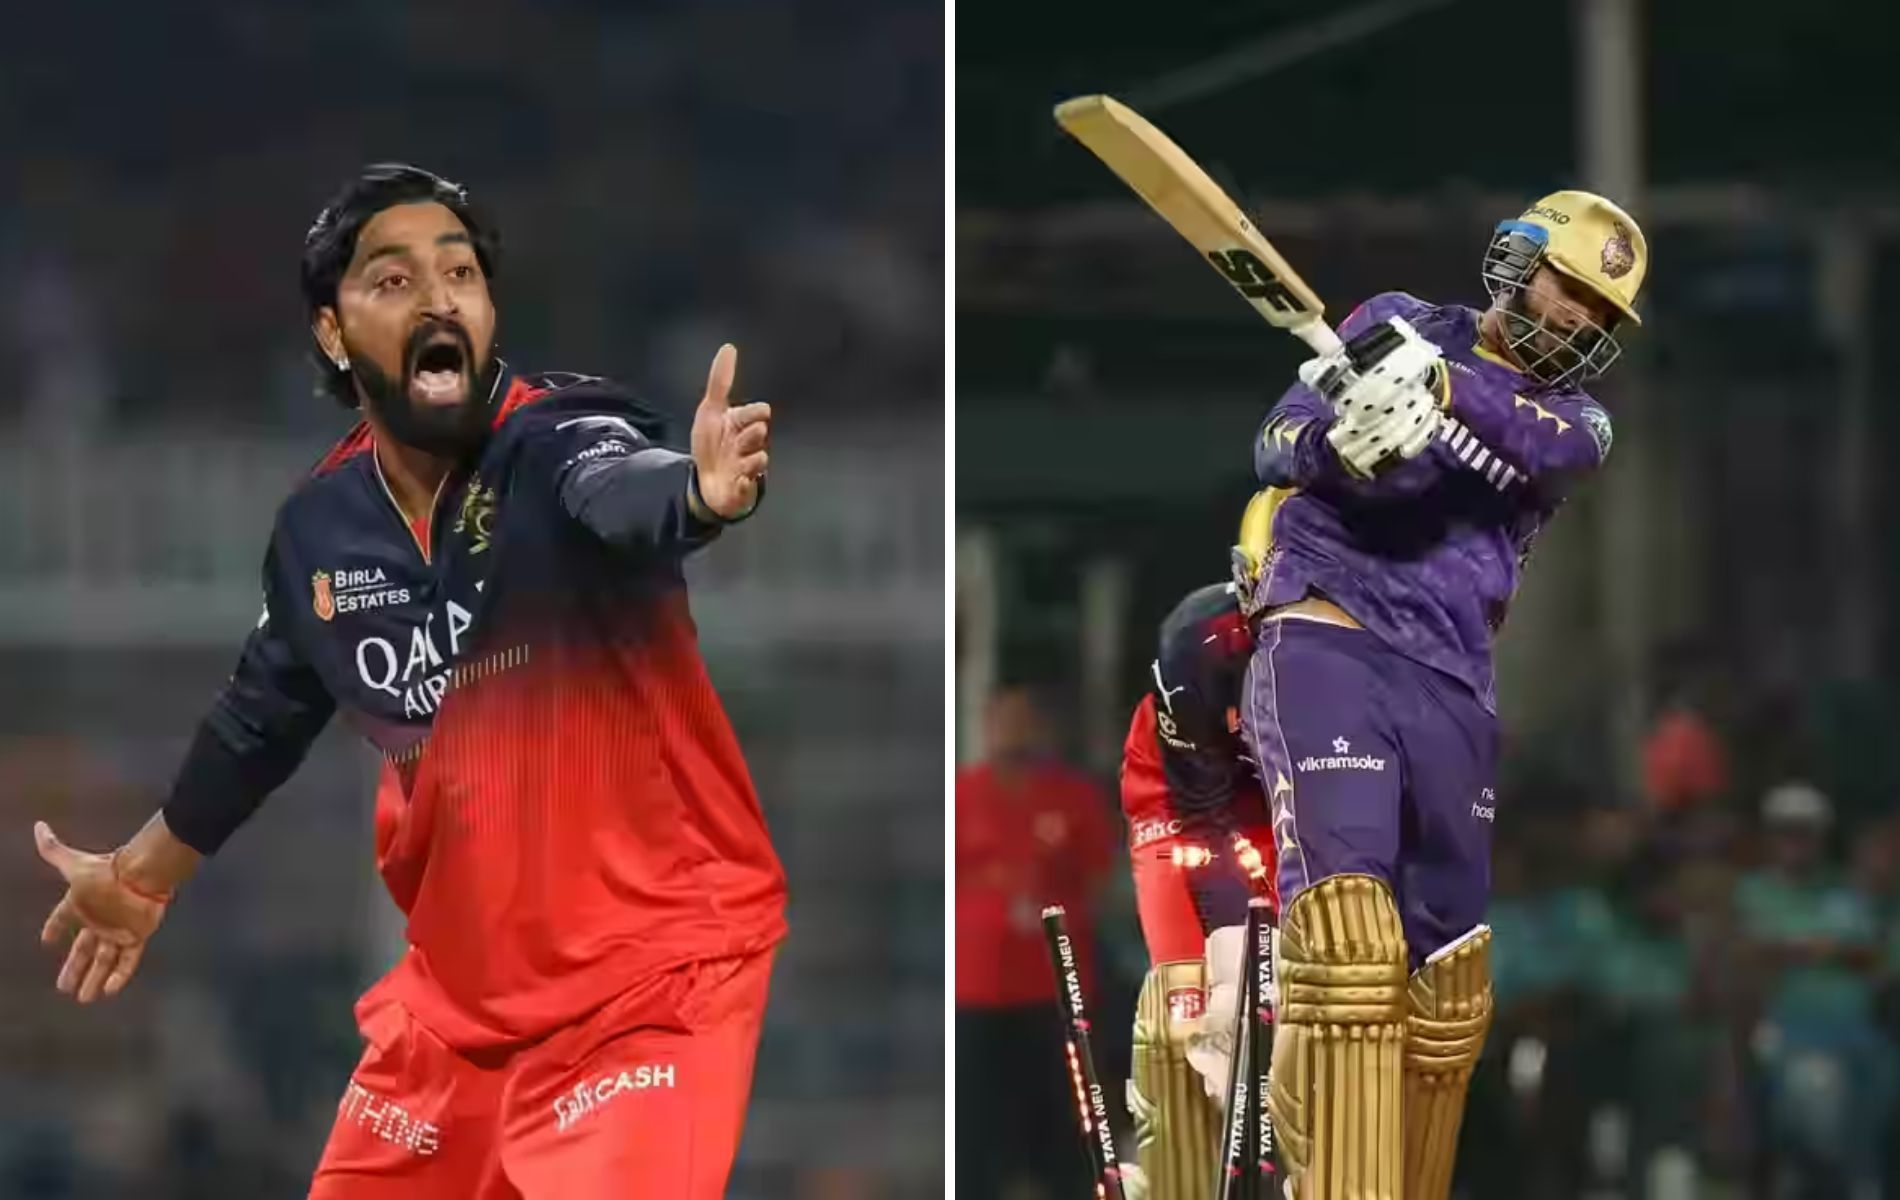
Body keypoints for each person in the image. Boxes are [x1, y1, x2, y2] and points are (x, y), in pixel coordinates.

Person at [31, 164, 785, 1199]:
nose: (438, 298)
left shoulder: (557, 439)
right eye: (393, 280)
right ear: (334, 336)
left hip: (646, 981)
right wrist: (144, 875)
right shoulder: (320, 532)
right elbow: (262, 713)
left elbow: (622, 489)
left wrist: (696, 492)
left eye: (461, 272)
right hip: (455, 1015)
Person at [1235, 191, 1647, 1199]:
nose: (1576, 319)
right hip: (1330, 632)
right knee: (1344, 943)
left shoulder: (1579, 422)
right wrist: (1342, 446)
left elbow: (1538, 443)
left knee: (1444, 990)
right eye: (1570, 289)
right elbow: (1275, 442)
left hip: (1454, 679)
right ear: (1518, 262)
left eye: (1599, 315)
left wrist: (1439, 390)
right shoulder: (1395, 321)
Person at [1114, 571, 1277, 1200]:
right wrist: (1211, 967)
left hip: (1285, 800)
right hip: (1184, 797)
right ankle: (1173, 1174)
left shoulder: (1349, 644)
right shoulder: (1193, 643)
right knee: (1194, 1011)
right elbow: (1201, 823)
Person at [956, 683, 1117, 1200]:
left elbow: (1101, 877)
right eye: (1004, 720)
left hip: (1054, 986)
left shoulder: (1073, 797)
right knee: (976, 1120)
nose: (1012, 731)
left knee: (1061, 1118)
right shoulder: (961, 793)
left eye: (1023, 720)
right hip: (976, 989)